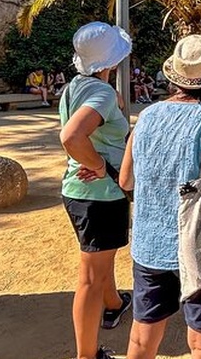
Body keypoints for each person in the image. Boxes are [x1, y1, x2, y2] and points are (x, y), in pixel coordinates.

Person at [118, 34, 201, 359]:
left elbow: (126, 180)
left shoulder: (146, 117)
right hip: (200, 245)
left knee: (142, 339)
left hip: (150, 243)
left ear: (174, 78)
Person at [59, 22, 134, 359]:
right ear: (111, 62)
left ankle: (114, 303)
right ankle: (87, 355)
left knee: (100, 259)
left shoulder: (78, 86)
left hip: (80, 191)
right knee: (90, 276)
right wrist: (102, 166)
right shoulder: (101, 93)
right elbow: (72, 136)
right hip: (99, 195)